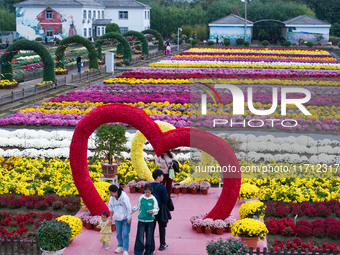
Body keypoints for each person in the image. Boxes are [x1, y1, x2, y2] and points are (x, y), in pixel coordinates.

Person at [132, 184, 159, 255]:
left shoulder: (153, 199)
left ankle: (148, 252)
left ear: (151, 192)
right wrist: (133, 210)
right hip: (141, 220)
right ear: (144, 191)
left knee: (149, 237)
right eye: (146, 192)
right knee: (140, 236)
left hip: (150, 221)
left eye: (148, 192)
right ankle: (138, 252)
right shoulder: (141, 198)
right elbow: (138, 206)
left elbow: (156, 209)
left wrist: (152, 211)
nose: (147, 194)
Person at [108, 185, 132, 255]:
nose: (110, 194)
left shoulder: (124, 197)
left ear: (116, 192)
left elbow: (129, 208)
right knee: (118, 234)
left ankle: (125, 249)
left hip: (125, 218)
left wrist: (128, 218)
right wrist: (111, 218)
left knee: (125, 234)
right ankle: (120, 246)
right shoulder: (112, 198)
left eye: (111, 192)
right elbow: (111, 207)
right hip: (117, 218)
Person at [150, 170, 171, 252]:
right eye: (162, 176)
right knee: (162, 228)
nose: (163, 177)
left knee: (151, 229)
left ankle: (151, 247)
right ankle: (162, 244)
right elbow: (165, 199)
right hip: (160, 210)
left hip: (151, 210)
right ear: (158, 177)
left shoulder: (148, 186)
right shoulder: (162, 187)